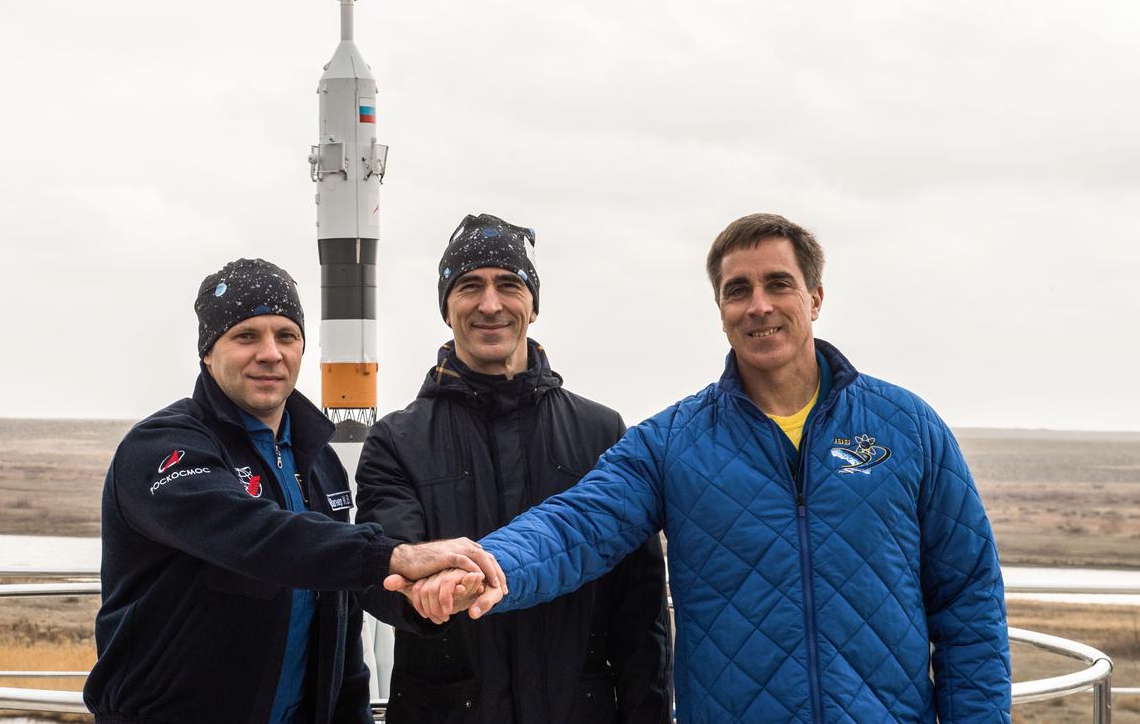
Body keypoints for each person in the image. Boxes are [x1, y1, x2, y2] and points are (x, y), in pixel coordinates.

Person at [401, 214, 1012, 723]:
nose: (759, 306)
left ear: (816, 298)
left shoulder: (905, 426)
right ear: (720, 307)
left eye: (779, 284)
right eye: (737, 290)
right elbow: (578, 524)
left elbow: (967, 598)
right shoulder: (675, 442)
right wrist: (485, 566)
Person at [85, 258, 504, 724]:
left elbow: (340, 617)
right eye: (246, 336)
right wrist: (395, 555)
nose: (270, 353)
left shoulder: (319, 462)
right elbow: (254, 536)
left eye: (286, 336)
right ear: (207, 351)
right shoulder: (164, 448)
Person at [356, 214, 671, 723]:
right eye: (469, 286)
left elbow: (640, 614)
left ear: (533, 304)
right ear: (446, 307)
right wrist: (428, 598)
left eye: (509, 284)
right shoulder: (397, 440)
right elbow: (385, 573)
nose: (490, 304)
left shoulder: (602, 432)